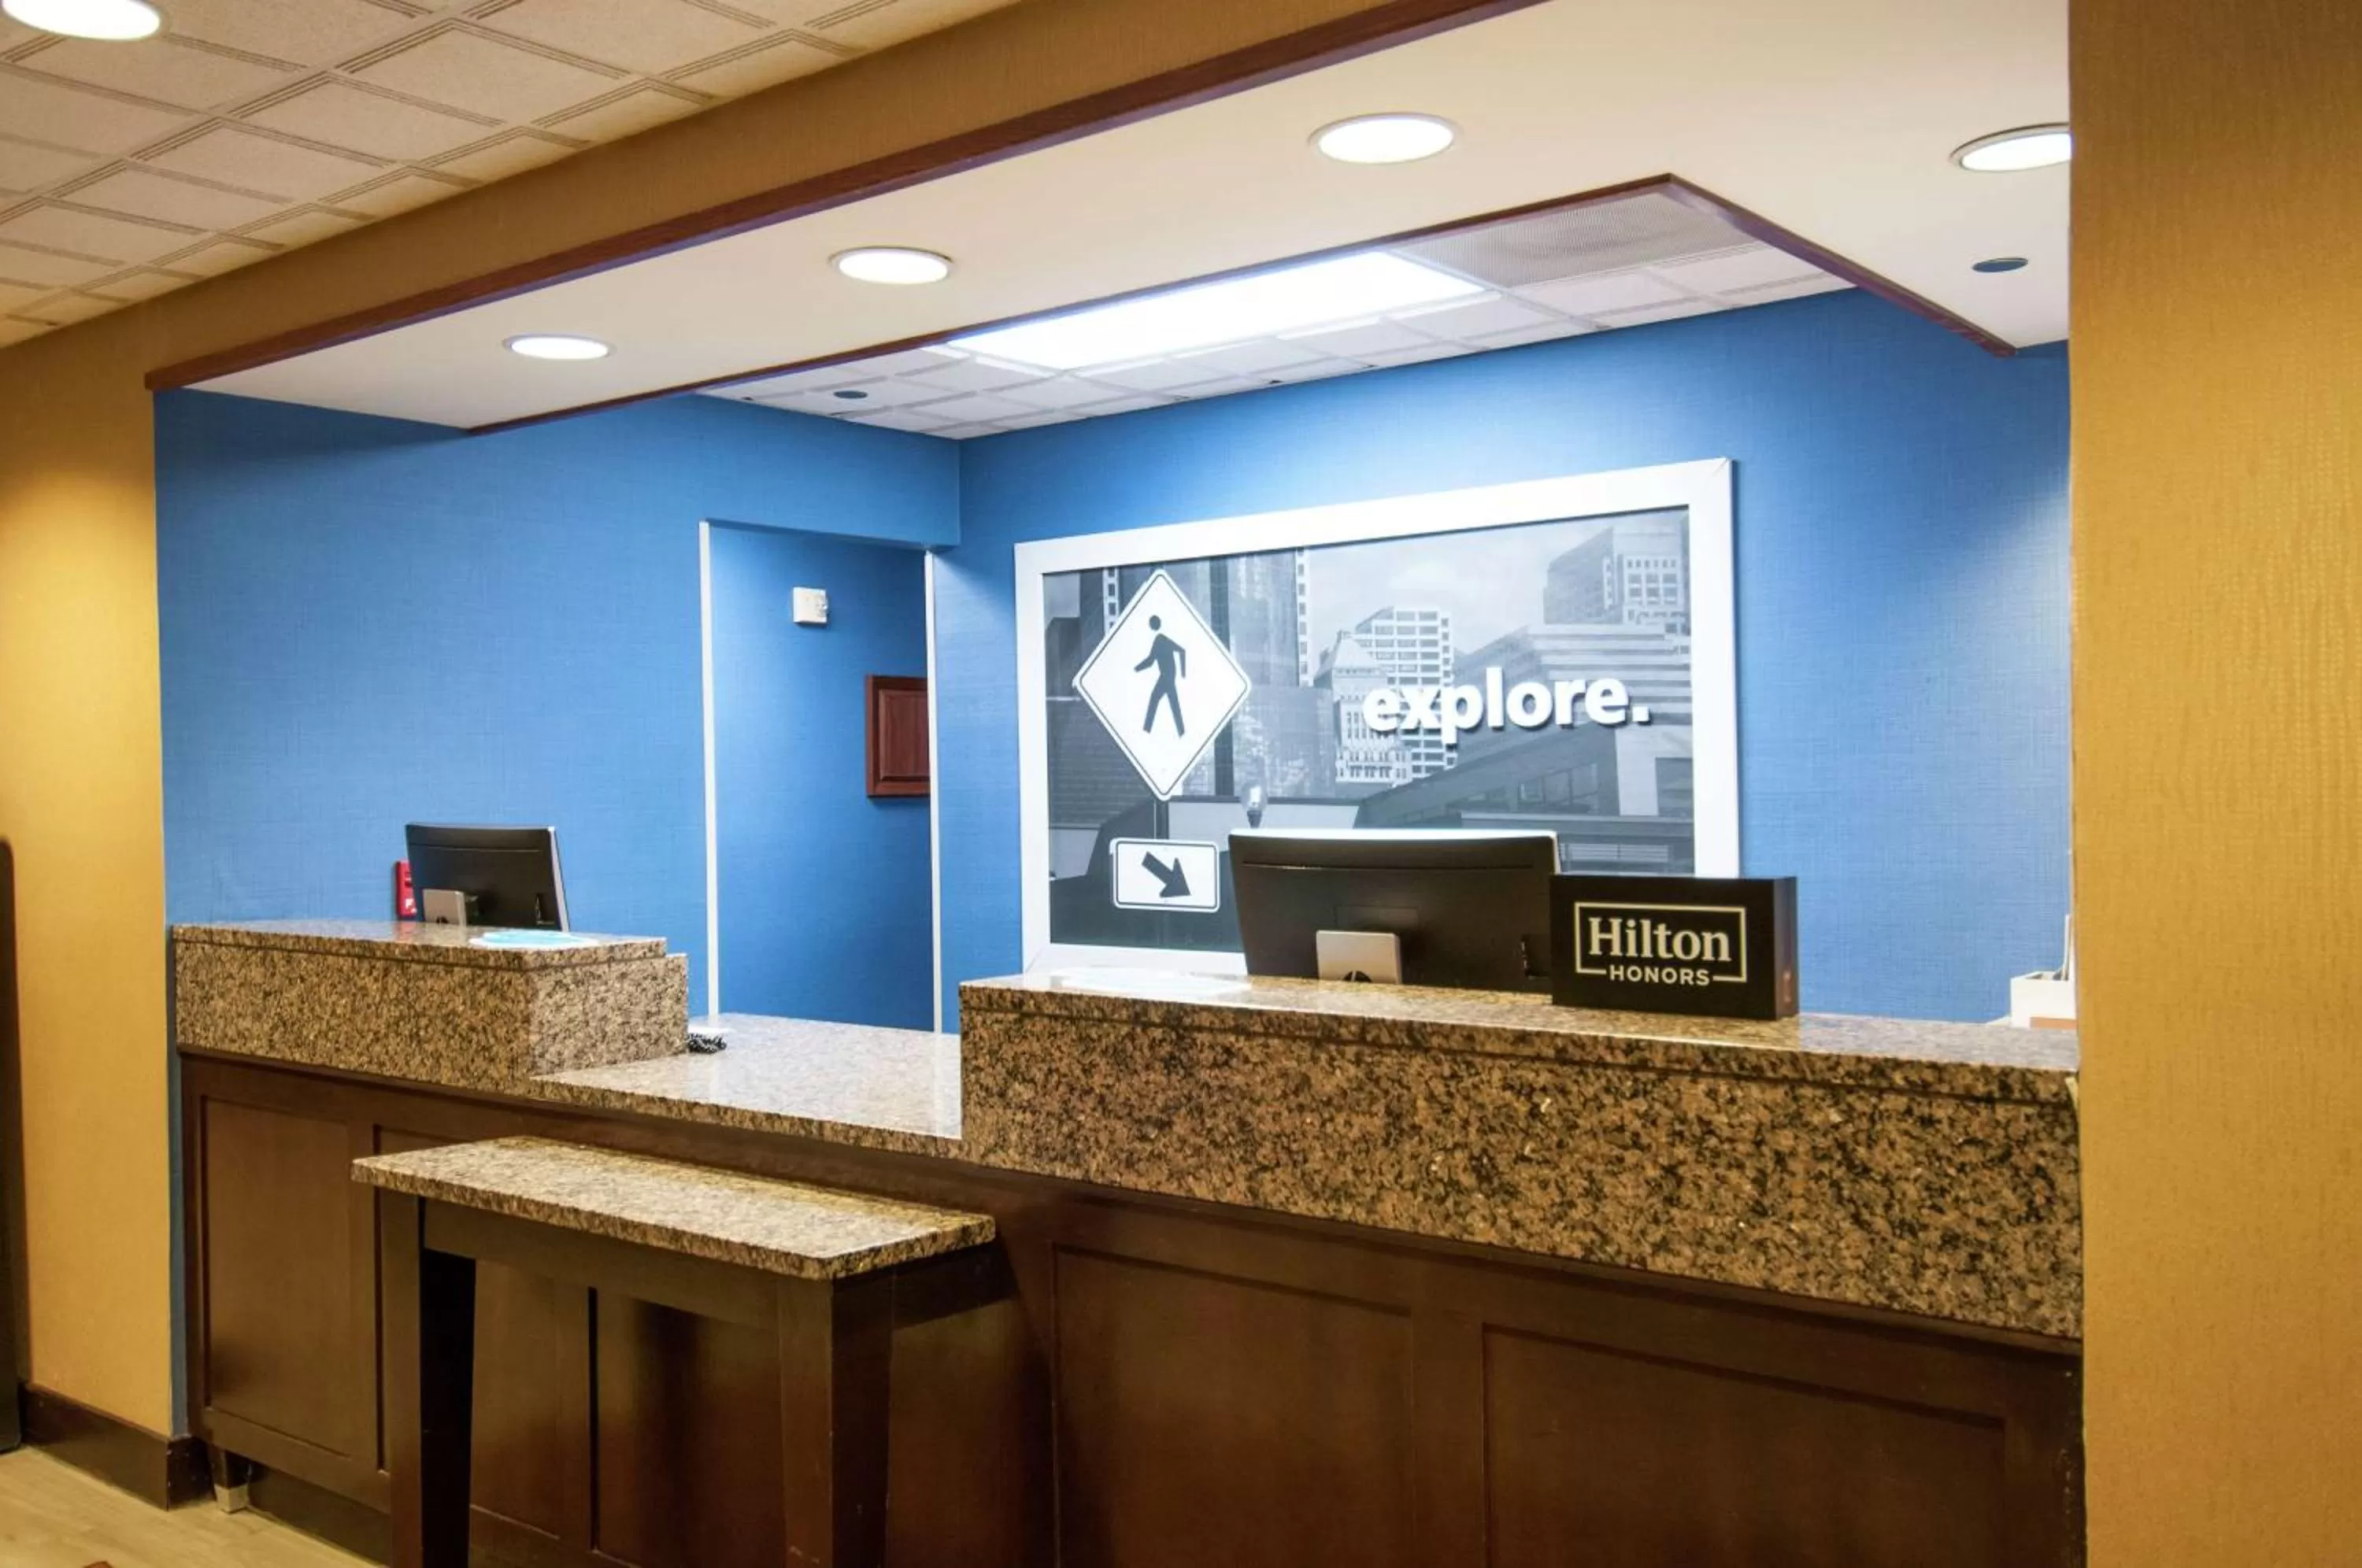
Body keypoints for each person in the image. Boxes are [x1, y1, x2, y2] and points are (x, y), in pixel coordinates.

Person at [1136, 614, 1187, 736]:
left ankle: (1146, 731)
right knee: (1173, 704)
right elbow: (1151, 661)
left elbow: (1150, 661)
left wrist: (1183, 673)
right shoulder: (1160, 639)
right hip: (1168, 676)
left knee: (1155, 699)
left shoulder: (1160, 639)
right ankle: (1182, 733)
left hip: (1166, 677)